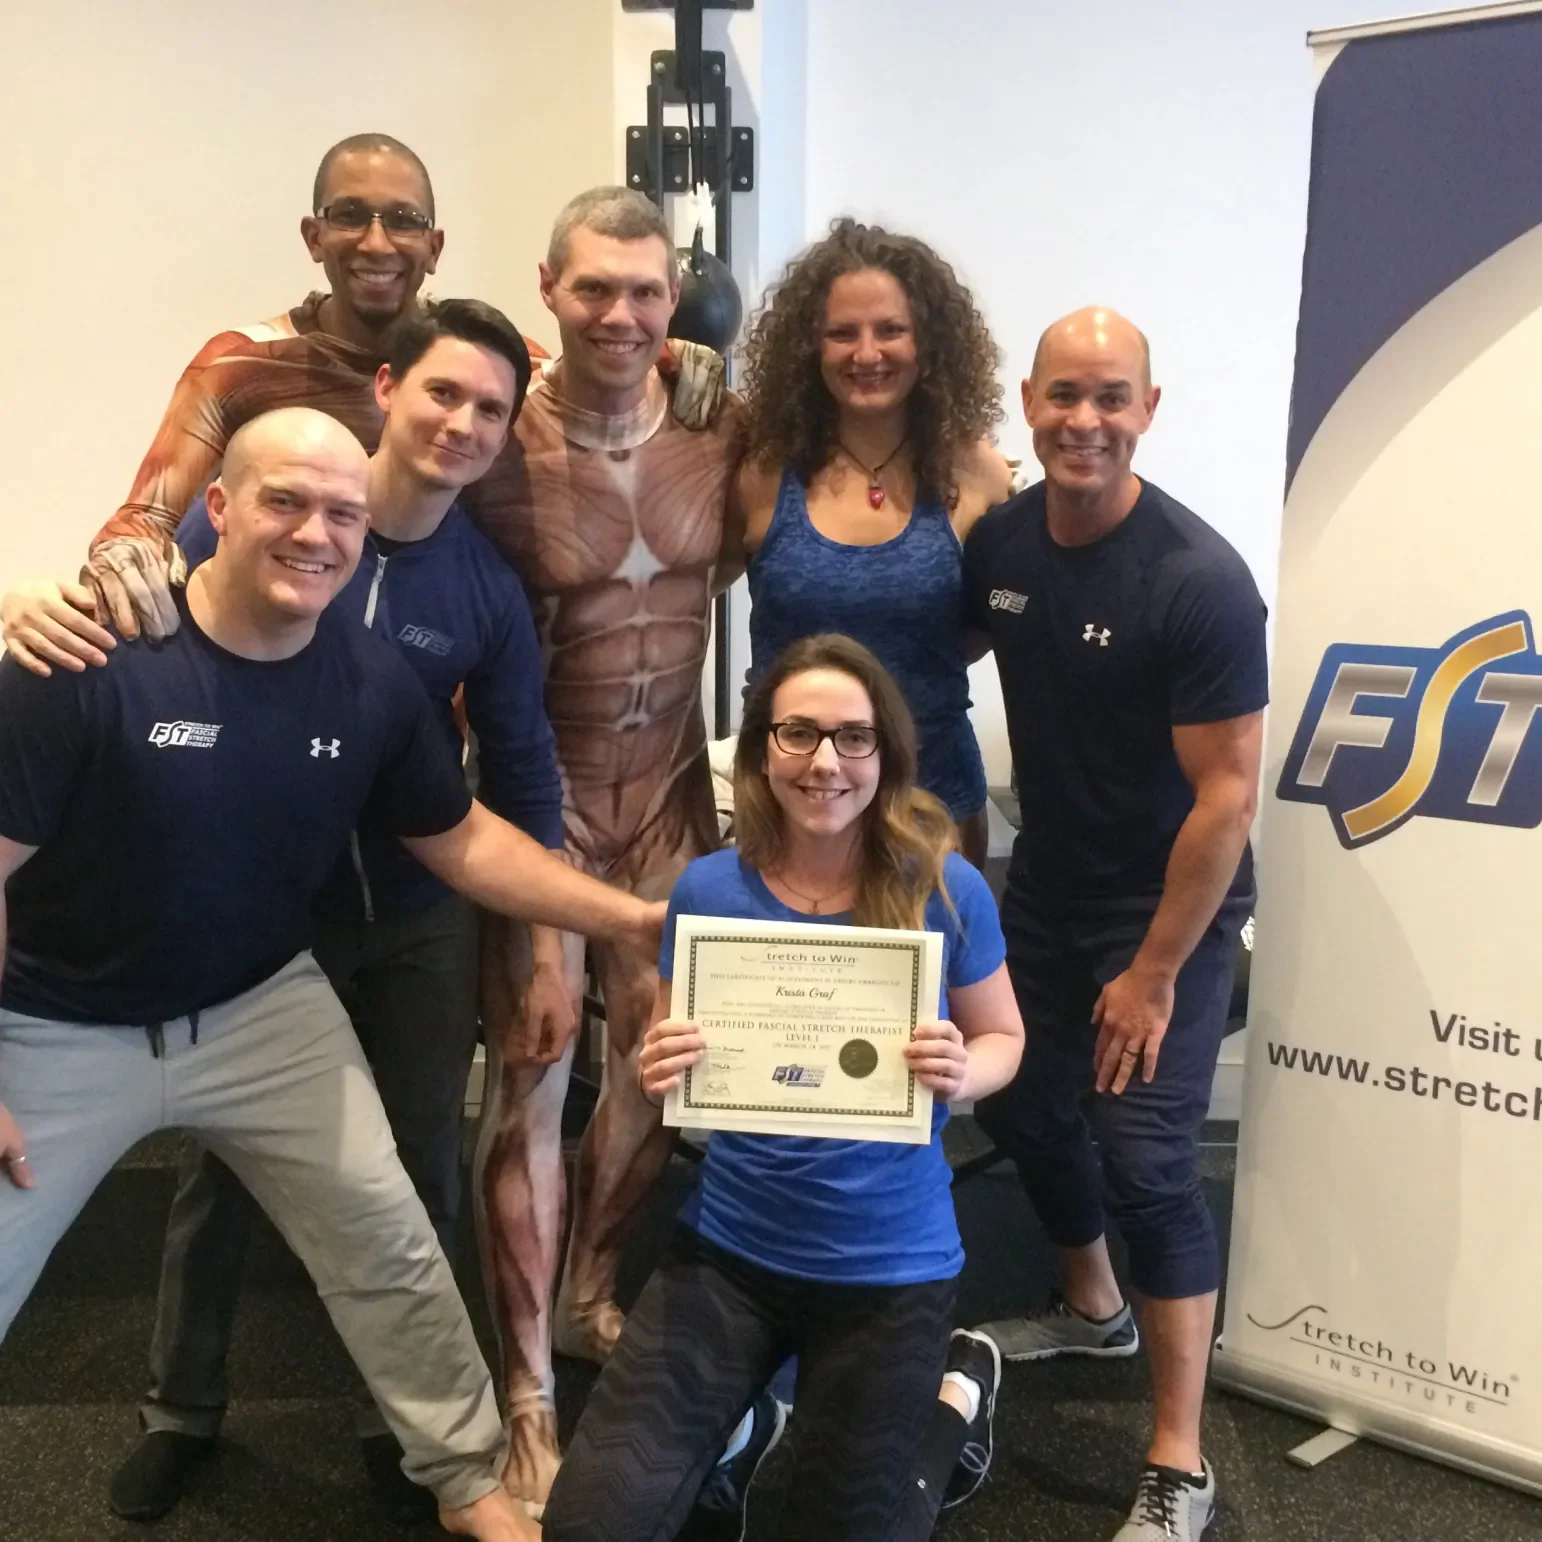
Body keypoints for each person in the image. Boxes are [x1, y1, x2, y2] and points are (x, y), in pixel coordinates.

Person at [0, 407, 665, 1542]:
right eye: (285, 502)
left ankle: (468, 1484)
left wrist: (634, 918)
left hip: (261, 1010)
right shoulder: (91, 658)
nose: (317, 533)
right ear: (218, 509)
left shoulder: (367, 681)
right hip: (58, 1027)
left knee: (387, 1236)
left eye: (344, 514)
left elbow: (460, 841)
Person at [91, 300, 555, 1522]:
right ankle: (180, 1408)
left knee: (410, 1172)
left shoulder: (485, 589)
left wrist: (561, 940)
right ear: (389, 389)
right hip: (261, 911)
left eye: (489, 410)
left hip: (414, 914)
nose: (460, 423)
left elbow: (519, 774)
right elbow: (124, 624)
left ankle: (392, 1424)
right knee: (224, 1170)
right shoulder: (253, 510)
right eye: (442, 394)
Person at [541, 633, 1025, 1542]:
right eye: (798, 734)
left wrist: (968, 1069)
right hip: (730, 1254)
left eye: (853, 737)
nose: (825, 762)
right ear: (763, 746)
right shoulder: (711, 890)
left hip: (892, 1270)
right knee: (588, 1527)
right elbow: (677, 1051)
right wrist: (659, 1063)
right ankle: (759, 1423)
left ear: (885, 753)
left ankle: (956, 1398)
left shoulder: (945, 886)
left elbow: (1005, 1037)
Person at [962, 308, 1267, 1542]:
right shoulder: (1003, 541)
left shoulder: (1197, 580)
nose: (1083, 422)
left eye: (1111, 399)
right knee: (1022, 1104)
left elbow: (1228, 799)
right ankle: (1091, 1307)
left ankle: (1179, 1459)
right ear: (1027, 401)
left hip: (1166, 915)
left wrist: (1150, 975)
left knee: (1144, 1160)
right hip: (1047, 888)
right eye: (1062, 398)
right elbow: (943, 648)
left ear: (1150, 409)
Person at [730, 217, 1013, 869]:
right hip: (785, 808)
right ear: (810, 344)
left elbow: (995, 622)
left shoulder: (978, 475)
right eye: (842, 333)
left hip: (932, 807)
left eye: (891, 330)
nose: (867, 353)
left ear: (929, 342)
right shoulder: (760, 469)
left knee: (934, 973)